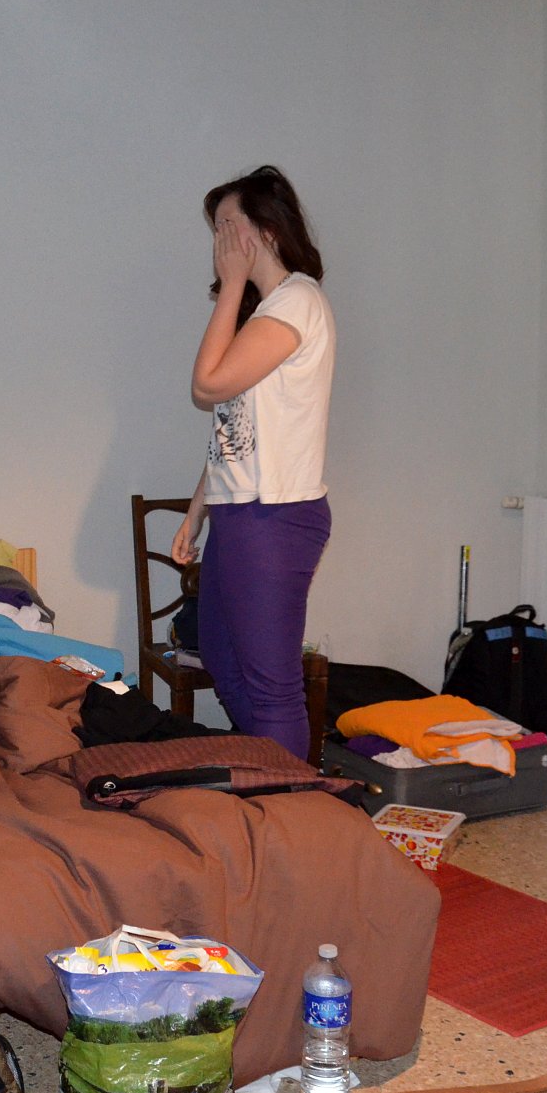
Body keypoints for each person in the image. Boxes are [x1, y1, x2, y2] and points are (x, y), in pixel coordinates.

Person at [168, 166, 334, 758]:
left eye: (226, 226)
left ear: (266, 230)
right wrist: (197, 512)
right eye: (214, 229)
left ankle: (292, 801)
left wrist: (233, 282)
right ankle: (270, 768)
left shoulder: (298, 301)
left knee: (272, 687)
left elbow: (206, 384)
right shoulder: (265, 314)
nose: (219, 241)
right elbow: (234, 432)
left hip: (276, 517)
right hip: (240, 513)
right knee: (219, 655)